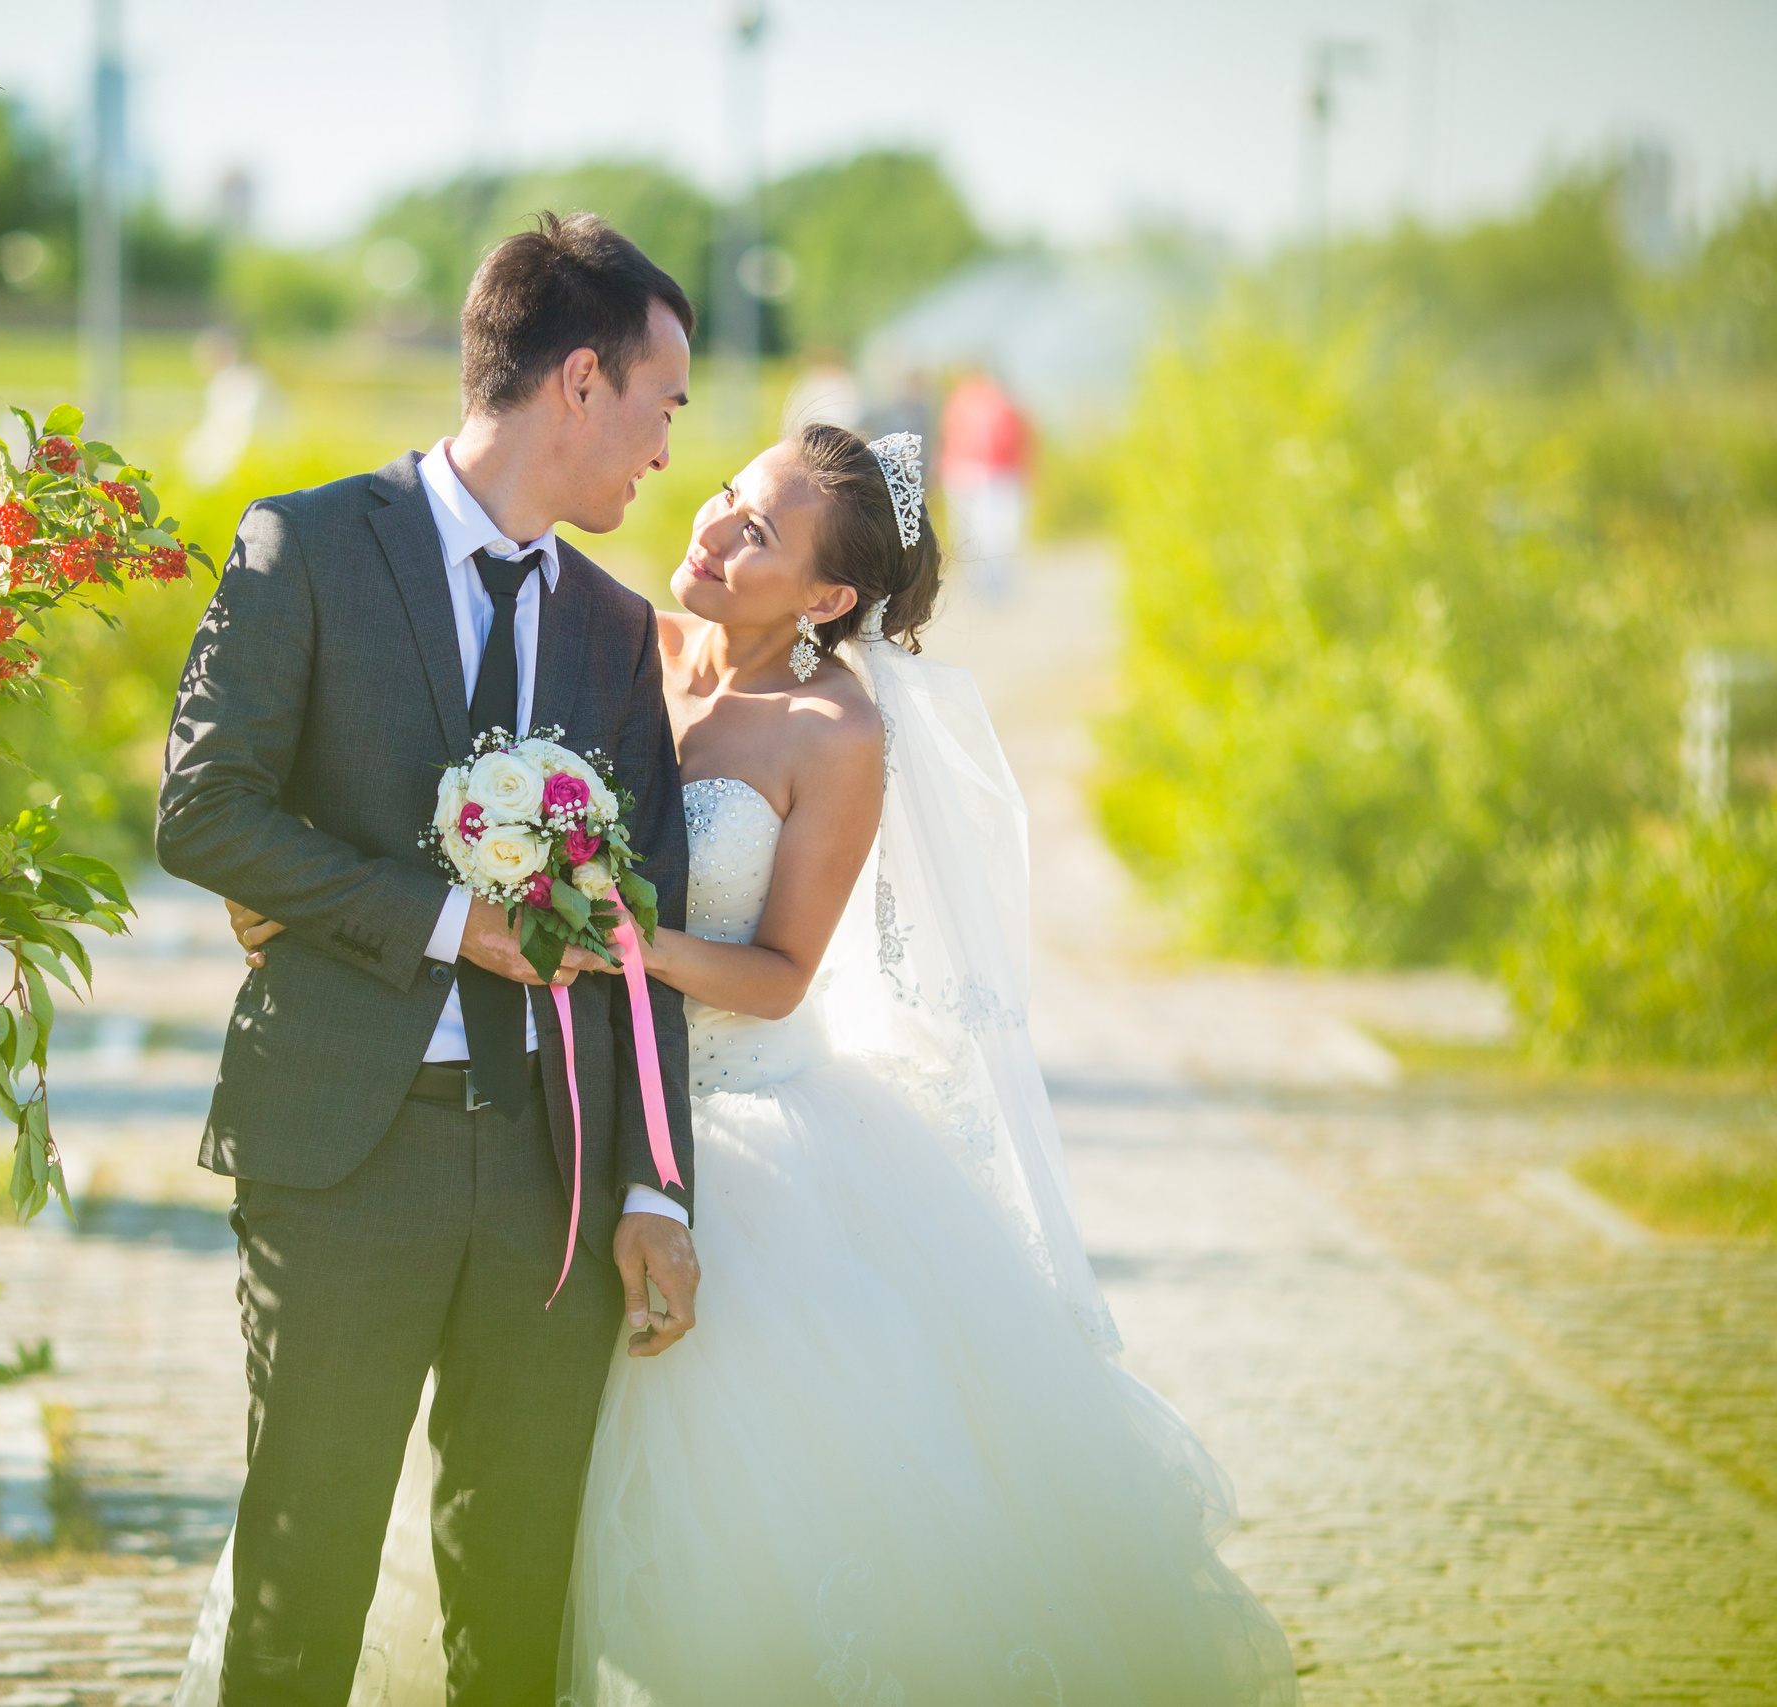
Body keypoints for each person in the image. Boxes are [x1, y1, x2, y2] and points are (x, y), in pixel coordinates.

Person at [208, 424, 1303, 1705]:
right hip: (550, 1116)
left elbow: (781, 973)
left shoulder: (833, 737)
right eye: (727, 495)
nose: (713, 528)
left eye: (758, 533)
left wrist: (626, 941)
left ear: (830, 599)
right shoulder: (609, 640)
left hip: (734, 1133)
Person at [155, 212, 702, 1707]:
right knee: (302, 1582)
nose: (666, 447)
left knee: (518, 1606)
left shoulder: (616, 626)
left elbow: (644, 933)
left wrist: (657, 1185)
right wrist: (456, 920)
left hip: (555, 1182)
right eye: (663, 403)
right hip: (344, 1151)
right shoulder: (310, 543)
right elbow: (200, 811)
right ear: (578, 383)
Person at [939, 369, 1032, 604]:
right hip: (969, 475)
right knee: (973, 533)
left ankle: (996, 585)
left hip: (997, 475)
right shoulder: (961, 402)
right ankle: (981, 585)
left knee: (994, 533)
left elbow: (1019, 440)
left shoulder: (1003, 404)